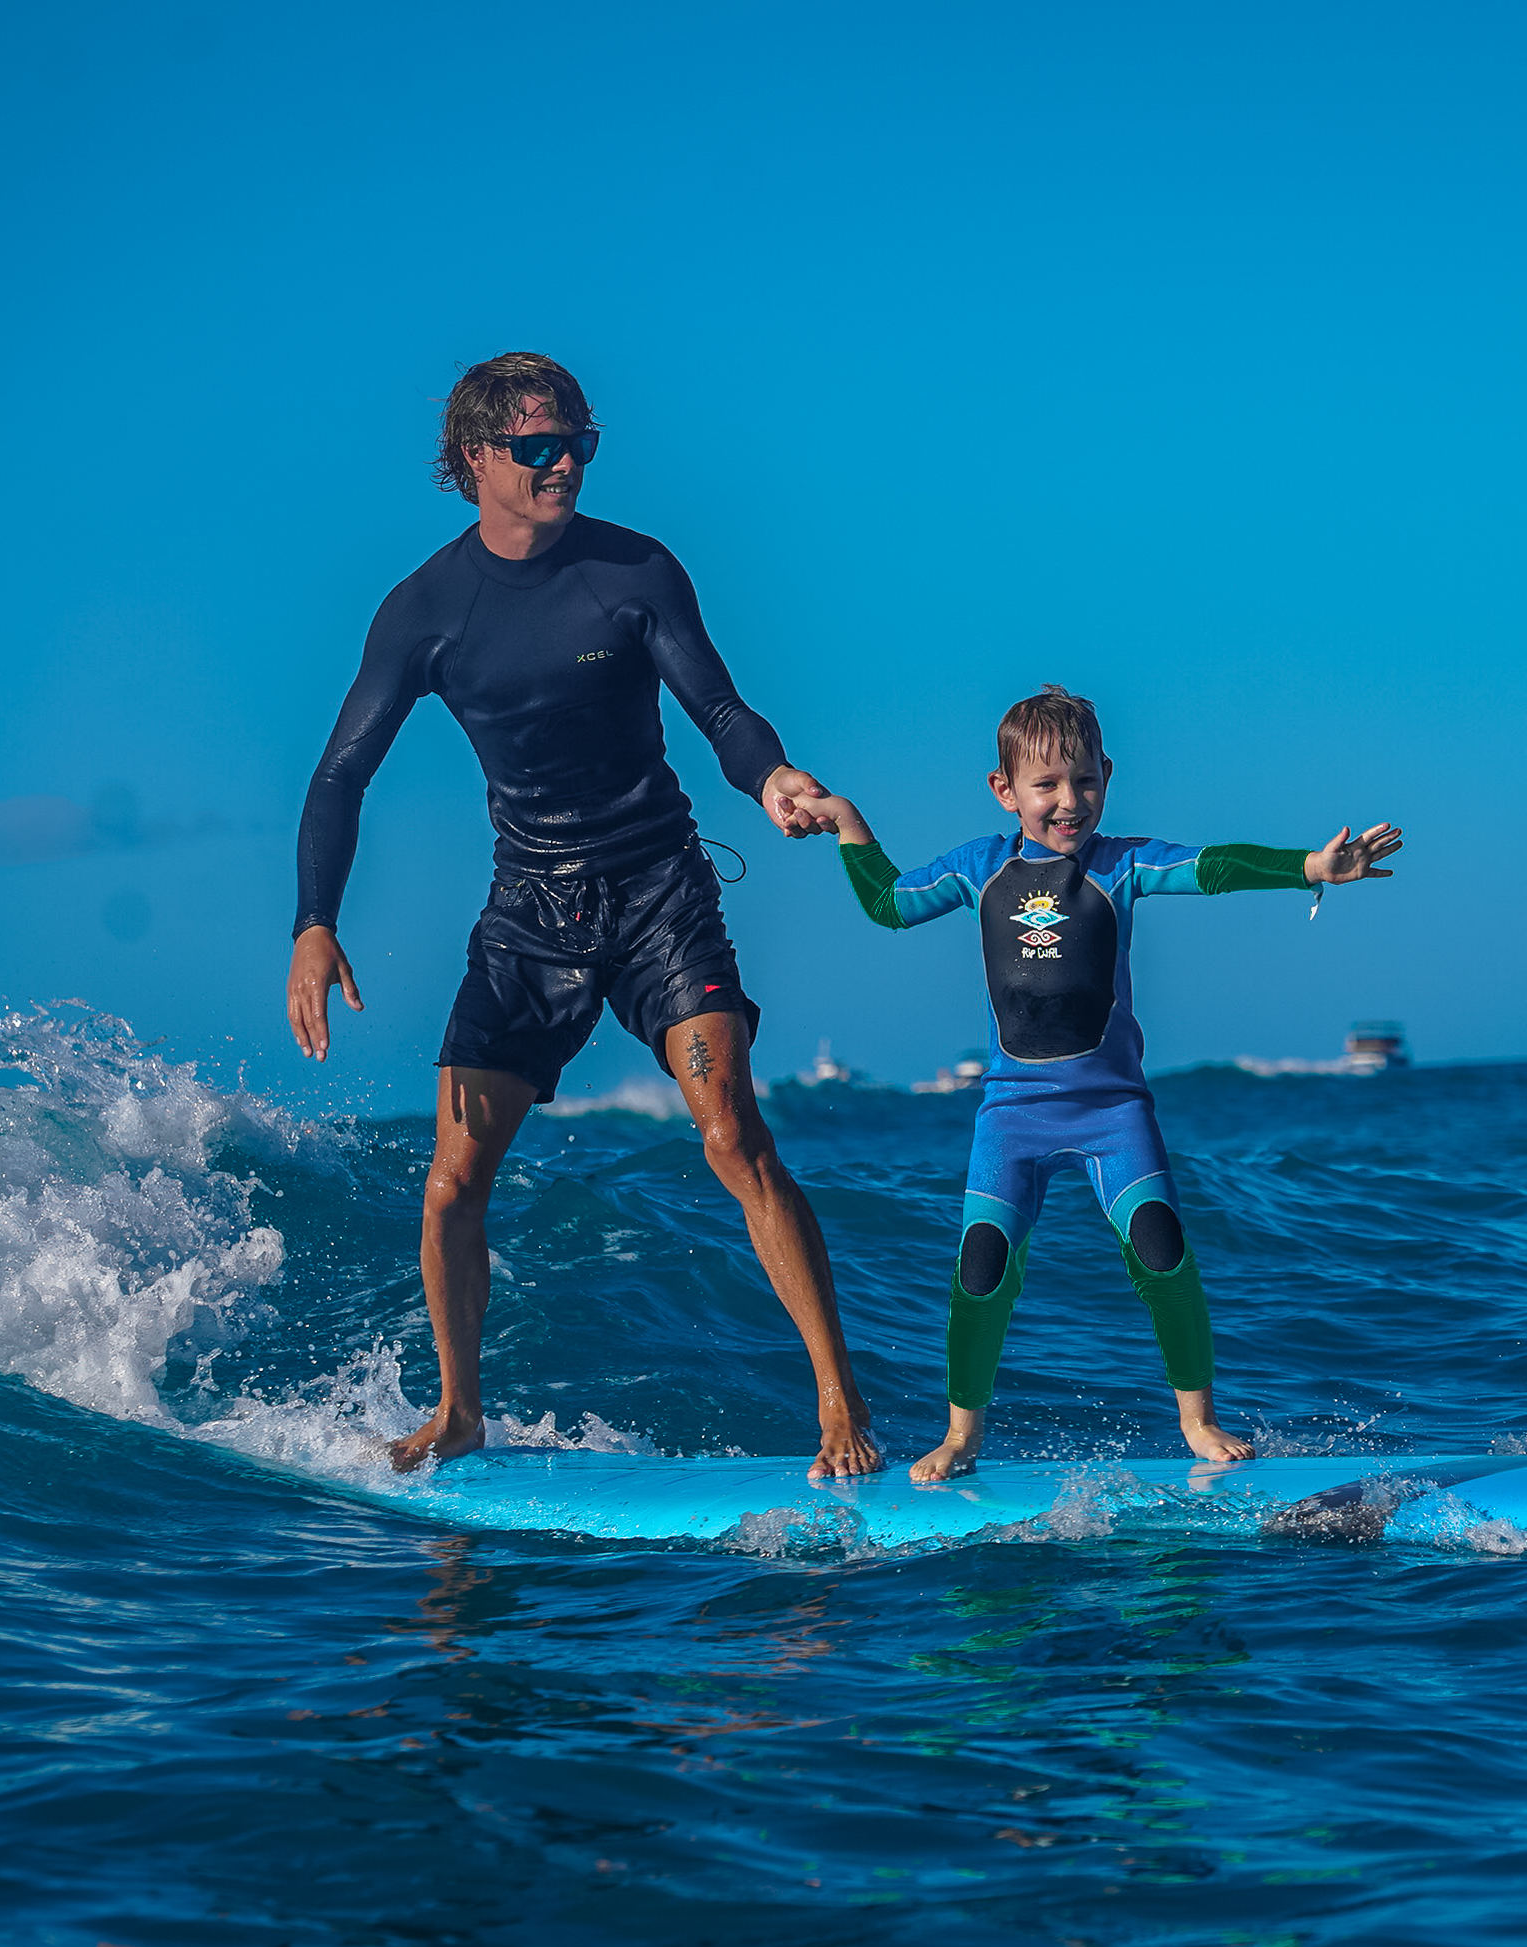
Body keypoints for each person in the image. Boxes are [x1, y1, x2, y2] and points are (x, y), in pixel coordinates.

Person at [284, 352, 880, 1476]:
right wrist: (314, 922)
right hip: (530, 914)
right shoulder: (424, 611)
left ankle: (839, 1401)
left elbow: (720, 707)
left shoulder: (634, 570)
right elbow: (338, 776)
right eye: (538, 448)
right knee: (453, 1180)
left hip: (661, 891)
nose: (564, 464)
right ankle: (459, 1411)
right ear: (475, 460)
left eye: (578, 443)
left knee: (732, 1136)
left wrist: (774, 779)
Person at [801, 685, 1401, 1483]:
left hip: (1115, 1109)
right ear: (1004, 789)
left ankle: (1198, 1418)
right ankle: (961, 1435)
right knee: (982, 1263)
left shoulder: (1123, 865)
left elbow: (1210, 867)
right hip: (1012, 1112)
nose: (1068, 801)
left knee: (1161, 1248)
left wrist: (1310, 868)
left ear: (1107, 777)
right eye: (1046, 785)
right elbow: (887, 903)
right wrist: (847, 823)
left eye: (1084, 781)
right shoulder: (981, 868)